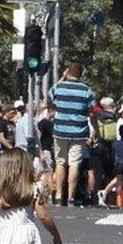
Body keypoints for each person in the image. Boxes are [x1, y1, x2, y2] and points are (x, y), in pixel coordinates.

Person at [49, 63, 96, 206]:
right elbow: (92, 112)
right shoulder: (87, 91)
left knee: (60, 162)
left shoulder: (59, 87)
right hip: (79, 132)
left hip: (60, 131)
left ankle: (58, 195)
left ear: (68, 72)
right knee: (74, 164)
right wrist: (94, 132)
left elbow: (50, 97)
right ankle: (70, 197)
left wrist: (61, 79)